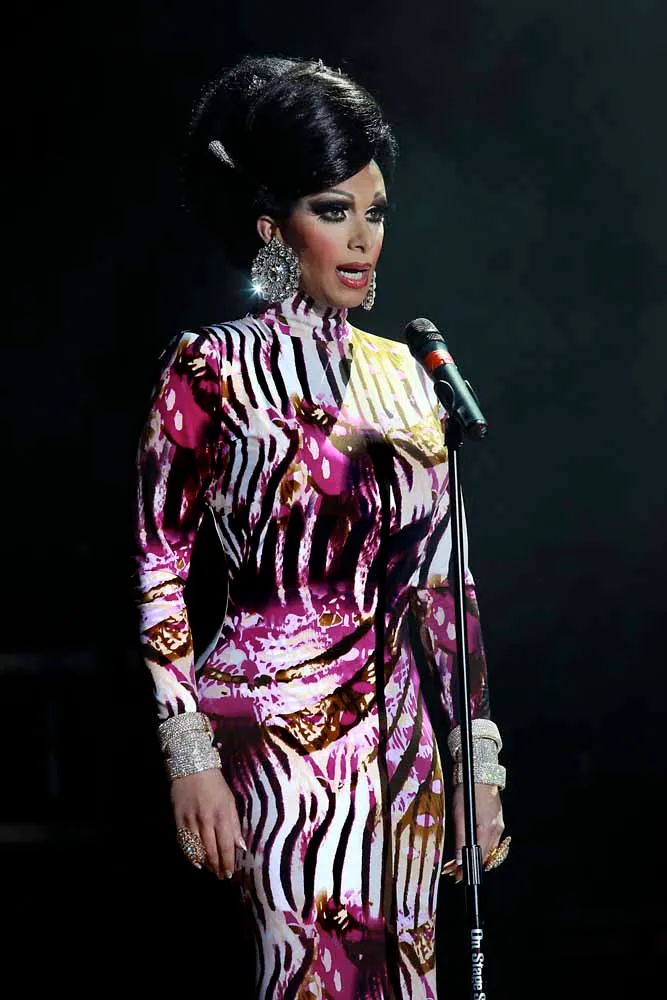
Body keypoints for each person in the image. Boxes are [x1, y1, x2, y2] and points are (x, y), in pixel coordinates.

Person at [133, 54, 508, 999]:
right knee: (312, 974)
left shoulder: (409, 374)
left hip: (407, 735)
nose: (362, 237)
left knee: (411, 981)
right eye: (333, 210)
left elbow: (444, 583)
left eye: (374, 211)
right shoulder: (210, 368)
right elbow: (158, 562)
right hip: (274, 733)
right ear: (273, 225)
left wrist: (475, 760)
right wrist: (188, 755)